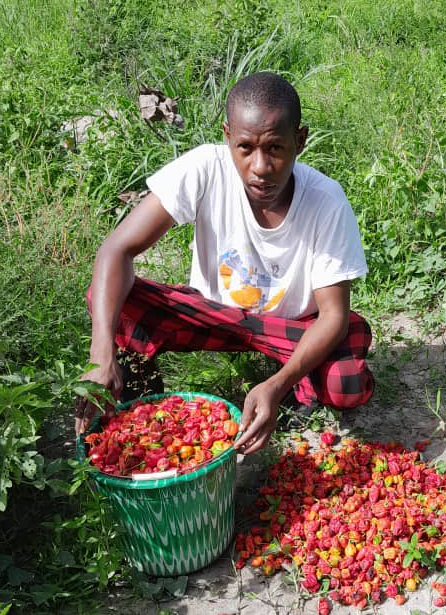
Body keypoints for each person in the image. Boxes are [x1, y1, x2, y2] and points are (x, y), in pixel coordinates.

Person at [75, 72, 374, 453]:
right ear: (227, 137)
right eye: (245, 148)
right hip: (213, 315)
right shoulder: (204, 169)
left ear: (300, 141)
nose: (260, 166)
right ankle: (130, 381)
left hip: (291, 326)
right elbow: (115, 250)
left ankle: (296, 383)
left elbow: (332, 316)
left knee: (345, 384)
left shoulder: (326, 201)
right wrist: (100, 355)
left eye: (276, 149)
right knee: (116, 298)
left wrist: (276, 385)